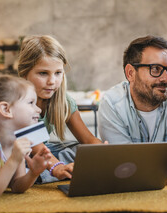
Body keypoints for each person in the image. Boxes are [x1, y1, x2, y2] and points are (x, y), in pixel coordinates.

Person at [18, 35, 103, 183]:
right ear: (24, 73)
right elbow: (36, 147)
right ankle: (46, 171)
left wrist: (106, 154)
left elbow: (87, 139)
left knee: (80, 150)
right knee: (27, 160)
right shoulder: (18, 102)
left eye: (58, 73)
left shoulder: (63, 101)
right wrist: (56, 167)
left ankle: (52, 170)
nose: (52, 81)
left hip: (45, 150)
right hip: (20, 153)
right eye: (43, 73)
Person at [98, 35, 167, 145]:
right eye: (155, 69)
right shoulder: (112, 104)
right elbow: (121, 159)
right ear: (130, 73)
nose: (166, 78)